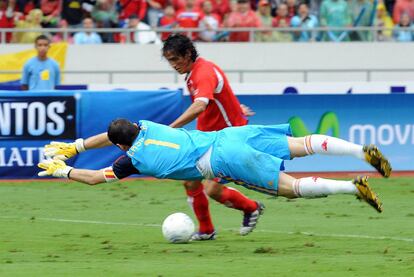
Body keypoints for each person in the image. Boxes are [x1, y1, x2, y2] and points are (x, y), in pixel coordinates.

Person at [40, 119, 392, 219]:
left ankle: (352, 188)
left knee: (287, 187)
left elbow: (92, 179)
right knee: (300, 145)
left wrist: (61, 169)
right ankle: (361, 151)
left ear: (120, 145)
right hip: (229, 135)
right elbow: (112, 133)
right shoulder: (146, 125)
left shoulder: (132, 160)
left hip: (222, 161)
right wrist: (78, 145)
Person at [162, 33, 260, 240]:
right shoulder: (194, 71)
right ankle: (206, 230)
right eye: (169, 60)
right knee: (190, 182)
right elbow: (216, 96)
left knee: (213, 189)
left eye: (175, 59)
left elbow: (200, 105)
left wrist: (171, 129)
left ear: (188, 54)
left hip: (228, 139)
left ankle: (251, 208)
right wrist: (235, 106)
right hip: (208, 137)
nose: (173, 65)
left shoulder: (202, 72)